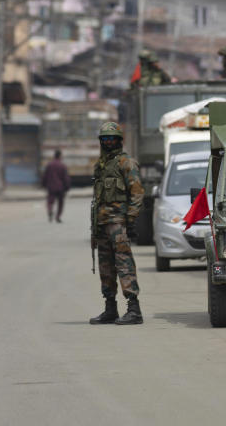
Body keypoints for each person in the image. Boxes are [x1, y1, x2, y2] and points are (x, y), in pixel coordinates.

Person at [89, 121, 145, 325]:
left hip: (118, 223)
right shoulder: (101, 166)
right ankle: (110, 308)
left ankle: (134, 309)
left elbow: (137, 193)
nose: (109, 142)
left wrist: (130, 220)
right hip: (102, 223)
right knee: (105, 267)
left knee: (124, 264)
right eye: (105, 139)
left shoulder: (126, 163)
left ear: (119, 141)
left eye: (112, 138)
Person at [43, 149, 71, 223]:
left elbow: (45, 176)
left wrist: (43, 184)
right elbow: (66, 178)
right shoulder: (62, 166)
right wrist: (67, 187)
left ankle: (50, 210)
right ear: (60, 156)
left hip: (51, 186)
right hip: (60, 187)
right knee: (60, 202)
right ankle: (58, 217)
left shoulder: (49, 165)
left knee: (50, 201)